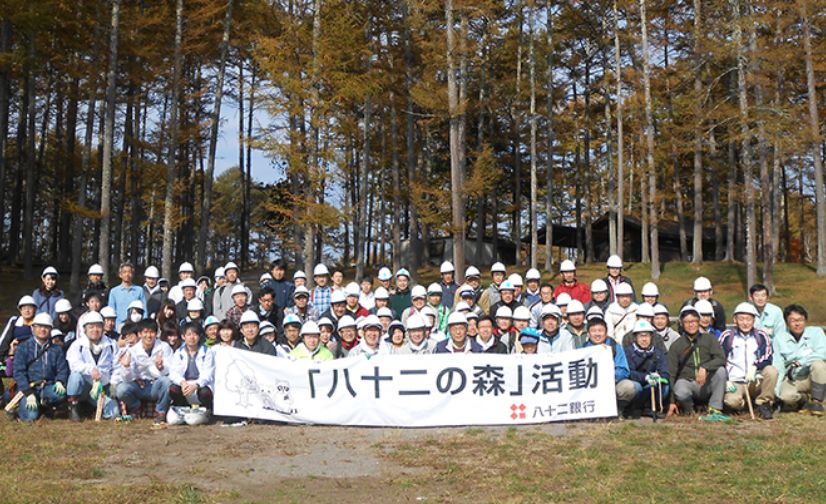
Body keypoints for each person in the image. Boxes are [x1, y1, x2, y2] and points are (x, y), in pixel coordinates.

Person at [667, 306, 730, 422]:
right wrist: (671, 401)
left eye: (694, 321)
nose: (691, 325)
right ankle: (689, 410)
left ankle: (714, 409)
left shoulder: (710, 339)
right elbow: (672, 373)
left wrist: (705, 367)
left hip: (707, 382)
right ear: (681, 324)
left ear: (699, 322)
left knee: (721, 371)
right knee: (680, 389)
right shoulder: (676, 345)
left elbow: (721, 358)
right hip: (688, 381)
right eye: (687, 322)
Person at [719, 303, 777, 420]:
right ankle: (742, 404)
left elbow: (768, 356)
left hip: (754, 380)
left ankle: (764, 403)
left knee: (771, 371)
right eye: (741, 319)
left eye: (749, 319)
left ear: (754, 320)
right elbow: (720, 358)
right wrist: (725, 379)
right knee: (732, 402)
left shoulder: (761, 336)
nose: (745, 323)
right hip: (735, 381)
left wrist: (755, 366)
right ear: (735, 320)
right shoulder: (727, 336)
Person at [12, 313, 68, 422]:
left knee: (62, 394)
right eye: (39, 326)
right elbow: (18, 372)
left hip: (48, 386)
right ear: (33, 328)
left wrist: (60, 381)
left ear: (51, 330)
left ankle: (44, 404)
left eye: (46, 327)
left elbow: (62, 369)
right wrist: (28, 393)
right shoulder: (23, 347)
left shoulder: (56, 349)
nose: (43, 330)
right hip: (28, 387)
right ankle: (24, 407)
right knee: (30, 417)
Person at [116, 319, 173, 425]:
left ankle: (161, 411)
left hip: (156, 385)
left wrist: (161, 368)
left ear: (156, 334)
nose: (149, 336)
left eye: (151, 332)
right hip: (140, 386)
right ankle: (136, 407)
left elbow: (170, 370)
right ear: (139, 334)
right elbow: (126, 378)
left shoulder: (164, 347)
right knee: (121, 389)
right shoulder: (132, 350)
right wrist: (127, 367)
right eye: (145, 332)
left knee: (167, 382)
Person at [773, 304, 826, 414]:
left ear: (805, 320)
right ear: (787, 323)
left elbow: (822, 353)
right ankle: (803, 400)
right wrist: (776, 392)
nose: (797, 324)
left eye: (800, 320)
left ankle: (817, 402)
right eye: (792, 320)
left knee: (819, 365)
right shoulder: (779, 338)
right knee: (786, 397)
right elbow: (778, 365)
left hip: (813, 377)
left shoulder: (817, 332)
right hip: (793, 378)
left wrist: (801, 362)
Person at [66, 311, 119, 421]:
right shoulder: (77, 345)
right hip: (84, 386)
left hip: (102, 387)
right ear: (85, 329)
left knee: (114, 413)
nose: (95, 330)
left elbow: (117, 366)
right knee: (75, 377)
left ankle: (92, 408)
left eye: (98, 326)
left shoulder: (112, 344)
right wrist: (90, 369)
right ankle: (73, 406)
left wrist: (113, 383)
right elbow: (74, 364)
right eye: (91, 327)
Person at [582, 317, 637, 416]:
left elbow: (623, 370)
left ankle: (618, 410)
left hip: (612, 383)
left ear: (606, 332)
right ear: (588, 333)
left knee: (628, 387)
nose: (597, 334)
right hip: (591, 386)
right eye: (593, 331)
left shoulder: (615, 347)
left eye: (600, 331)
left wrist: (609, 377)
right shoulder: (583, 349)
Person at [624, 320, 670, 419]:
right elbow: (629, 372)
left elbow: (665, 371)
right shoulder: (628, 351)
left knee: (665, 386)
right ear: (635, 337)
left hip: (653, 384)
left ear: (651, 337)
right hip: (638, 384)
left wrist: (659, 377)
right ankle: (635, 408)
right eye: (641, 336)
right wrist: (646, 377)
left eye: (647, 336)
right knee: (636, 387)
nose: (644, 339)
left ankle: (653, 408)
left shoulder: (658, 352)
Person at [168, 323, 215, 411]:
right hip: (185, 385)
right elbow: (174, 373)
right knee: (173, 389)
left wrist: (196, 385)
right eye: (189, 334)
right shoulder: (179, 352)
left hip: (200, 385)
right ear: (183, 337)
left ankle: (207, 410)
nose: (192, 337)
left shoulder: (207, 352)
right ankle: (183, 407)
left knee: (205, 392)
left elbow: (208, 374)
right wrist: (182, 382)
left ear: (199, 336)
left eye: (195, 334)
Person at [107, 262, 147, 328]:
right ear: (120, 275)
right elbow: (111, 311)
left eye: (129, 272)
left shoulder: (139, 290)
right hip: (118, 327)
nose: (127, 274)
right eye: (124, 272)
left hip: (135, 326)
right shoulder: (114, 291)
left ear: (133, 274)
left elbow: (144, 310)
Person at [0, 296, 37, 362]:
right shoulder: (14, 321)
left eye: (30, 308)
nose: (27, 310)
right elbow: (4, 340)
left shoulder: (39, 322)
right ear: (20, 310)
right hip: (15, 353)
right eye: (24, 308)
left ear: (35, 309)